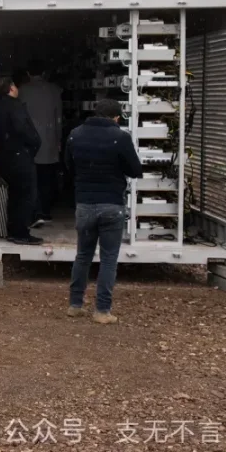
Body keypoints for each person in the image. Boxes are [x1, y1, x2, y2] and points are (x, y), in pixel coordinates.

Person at [64, 98, 143, 324]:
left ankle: (75, 305)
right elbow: (135, 170)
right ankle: (102, 310)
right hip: (111, 204)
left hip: (84, 203)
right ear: (116, 117)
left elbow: (68, 166)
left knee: (83, 256)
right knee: (108, 259)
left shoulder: (75, 134)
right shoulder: (121, 137)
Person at [0, 76, 43, 245]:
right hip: (19, 156)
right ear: (11, 88)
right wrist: (35, 143)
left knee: (15, 196)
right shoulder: (15, 106)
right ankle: (21, 233)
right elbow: (23, 129)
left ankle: (13, 230)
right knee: (25, 195)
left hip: (4, 156)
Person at [18, 59, 63, 226]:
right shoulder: (54, 90)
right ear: (44, 73)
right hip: (49, 139)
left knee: (31, 178)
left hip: (29, 141)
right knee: (47, 177)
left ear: (28, 73)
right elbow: (58, 118)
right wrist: (58, 139)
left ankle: (34, 212)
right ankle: (46, 210)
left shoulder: (22, 90)